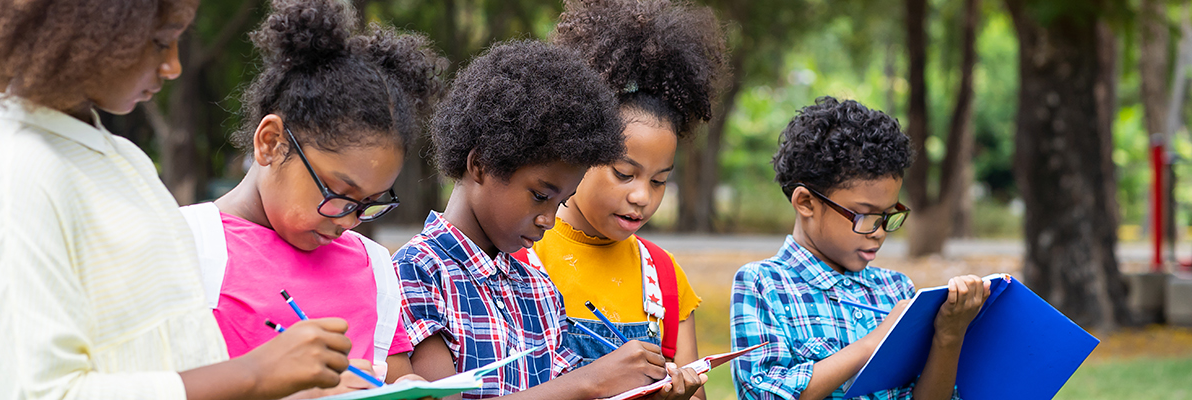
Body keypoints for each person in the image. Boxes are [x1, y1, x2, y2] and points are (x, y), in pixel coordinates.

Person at [0, 1, 354, 398]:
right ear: (84, 28)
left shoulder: (120, 158)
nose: (173, 67)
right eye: (160, 42)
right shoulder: (19, 170)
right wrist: (255, 373)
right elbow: (42, 392)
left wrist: (301, 386)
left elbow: (164, 349)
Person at [394, 39, 698, 400]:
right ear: (480, 165)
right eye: (540, 196)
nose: (550, 220)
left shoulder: (537, 287)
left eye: (562, 202)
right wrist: (591, 381)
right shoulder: (418, 272)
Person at [178, 0, 444, 393]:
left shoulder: (373, 267)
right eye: (338, 193)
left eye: (369, 203)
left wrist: (407, 385)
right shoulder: (186, 243)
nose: (349, 220)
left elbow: (390, 374)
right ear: (271, 143)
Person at [526, 1, 726, 398]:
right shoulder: (524, 255)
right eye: (624, 173)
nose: (641, 197)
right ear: (578, 153)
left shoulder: (665, 278)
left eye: (659, 181)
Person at [729, 97, 990, 400]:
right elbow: (764, 394)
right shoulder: (763, 284)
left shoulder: (896, 289)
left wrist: (949, 335)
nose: (879, 232)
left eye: (888, 215)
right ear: (806, 203)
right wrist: (874, 343)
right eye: (865, 215)